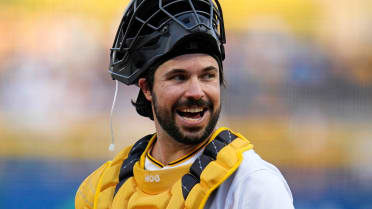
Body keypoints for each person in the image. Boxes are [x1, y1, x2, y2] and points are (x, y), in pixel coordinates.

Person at [75, 0, 295, 208]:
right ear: (146, 88)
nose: (196, 92)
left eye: (208, 75)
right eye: (178, 77)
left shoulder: (250, 185)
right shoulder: (100, 190)